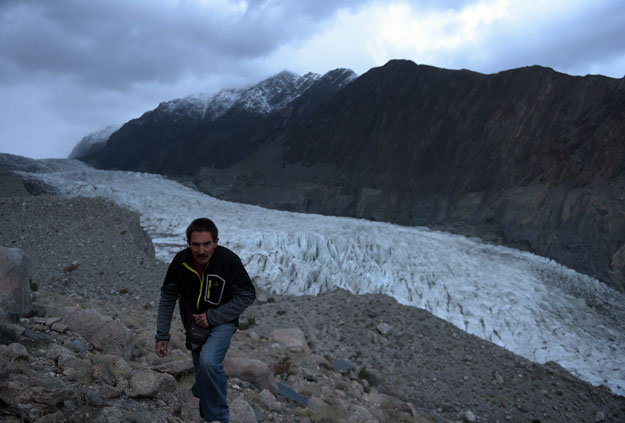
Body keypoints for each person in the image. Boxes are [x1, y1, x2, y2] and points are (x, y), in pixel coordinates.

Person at [155, 218, 256, 423]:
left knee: (209, 362)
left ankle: (218, 417)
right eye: (196, 245)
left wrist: (213, 317)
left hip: (223, 322)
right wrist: (162, 335)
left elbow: (247, 294)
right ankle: (200, 392)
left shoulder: (228, 261)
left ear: (216, 242)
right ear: (189, 243)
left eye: (206, 244)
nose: (201, 250)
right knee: (202, 371)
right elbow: (167, 297)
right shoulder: (181, 262)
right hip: (193, 325)